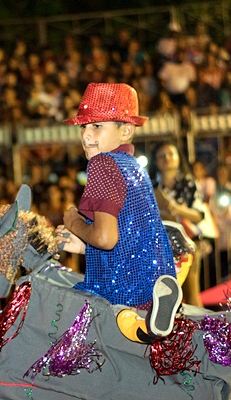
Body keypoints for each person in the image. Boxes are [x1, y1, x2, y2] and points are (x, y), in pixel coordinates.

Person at [56, 83, 183, 344]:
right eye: (83, 126)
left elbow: (105, 238)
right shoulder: (133, 166)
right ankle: (156, 314)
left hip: (120, 289)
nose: (86, 135)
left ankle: (145, 328)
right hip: (149, 281)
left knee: (58, 314)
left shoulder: (101, 164)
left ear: (125, 131)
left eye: (97, 126)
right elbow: (127, 235)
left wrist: (74, 222)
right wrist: (84, 247)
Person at [148, 142, 206, 305]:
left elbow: (198, 215)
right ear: (156, 161)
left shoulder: (188, 184)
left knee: (192, 294)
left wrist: (176, 209)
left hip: (186, 245)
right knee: (162, 297)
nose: (166, 158)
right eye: (162, 155)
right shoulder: (150, 186)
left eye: (171, 154)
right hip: (158, 248)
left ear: (179, 158)